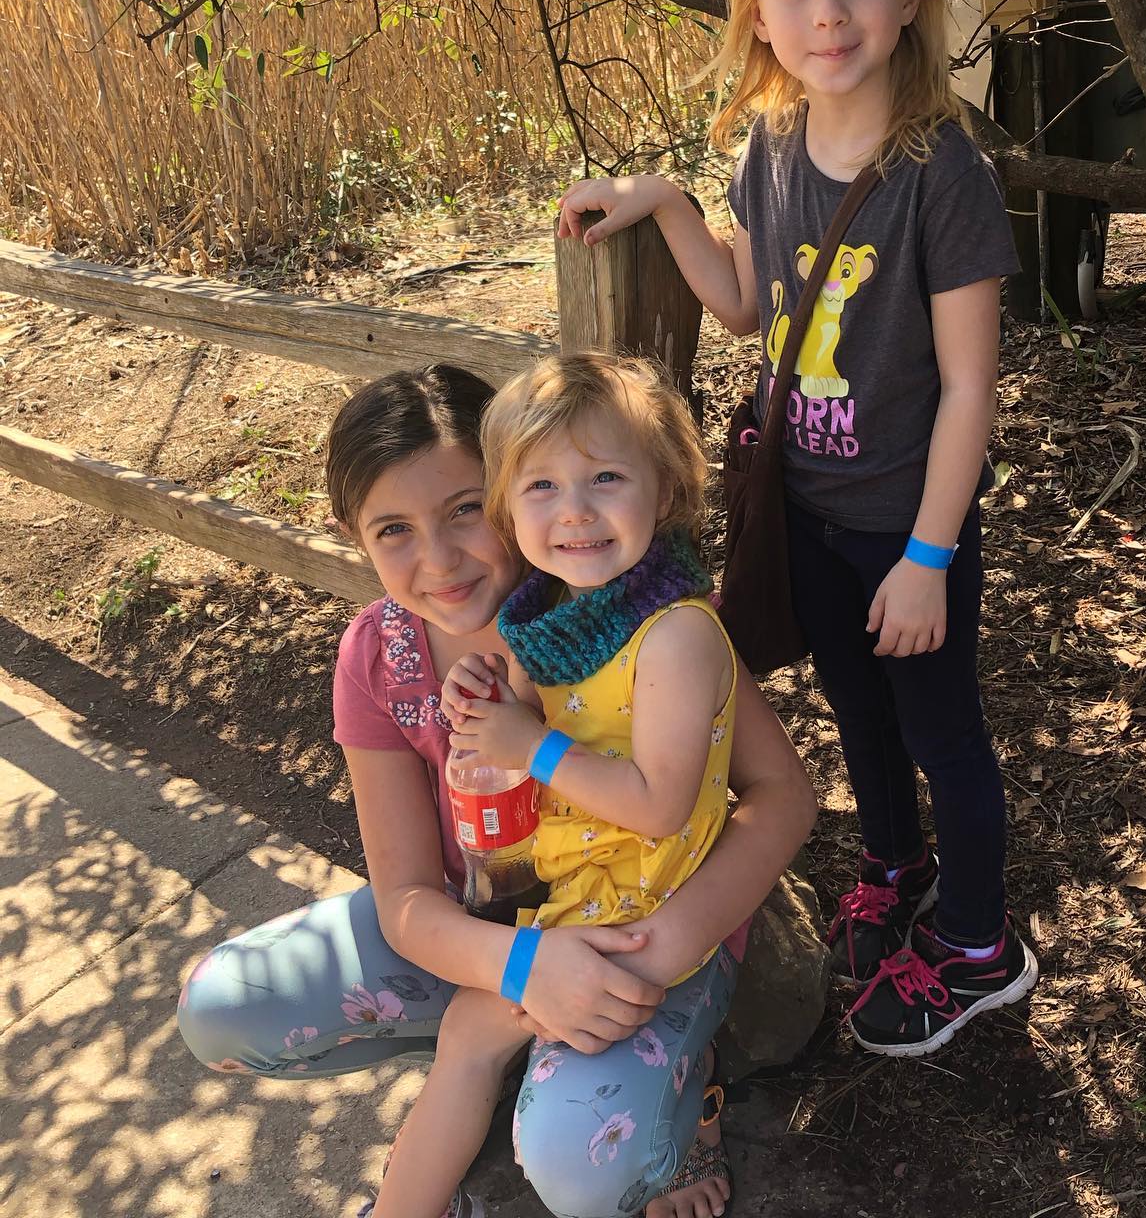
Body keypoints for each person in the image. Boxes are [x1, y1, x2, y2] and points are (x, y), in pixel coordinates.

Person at [557, 0, 1037, 1059]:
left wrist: (928, 554)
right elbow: (744, 306)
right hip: (807, 511)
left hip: (904, 526)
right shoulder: (770, 150)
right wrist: (667, 203)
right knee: (856, 717)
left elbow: (973, 387)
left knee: (939, 730)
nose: (828, 13)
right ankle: (892, 860)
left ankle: (979, 945)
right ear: (757, 10)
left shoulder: (944, 174)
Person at [176, 363, 817, 1218]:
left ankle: (681, 1090)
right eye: (393, 529)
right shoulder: (379, 654)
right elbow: (405, 897)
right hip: (487, 926)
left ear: (511, 486)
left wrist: (670, 940)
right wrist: (518, 971)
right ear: (352, 536)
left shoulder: (616, 610)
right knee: (219, 1011)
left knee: (589, 1171)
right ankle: (512, 1044)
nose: (438, 560)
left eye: (466, 510)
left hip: (637, 924)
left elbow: (782, 792)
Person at [372, 351, 742, 1218]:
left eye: (606, 478)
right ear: (509, 507)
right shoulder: (551, 617)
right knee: (472, 1035)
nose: (574, 512)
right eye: (540, 487)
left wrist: (530, 745)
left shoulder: (676, 635)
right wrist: (486, 696)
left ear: (668, 489)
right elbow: (527, 720)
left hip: (645, 911)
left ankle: (696, 1100)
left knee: (563, 1138)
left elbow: (659, 803)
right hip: (571, 901)